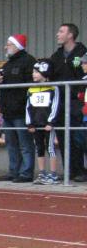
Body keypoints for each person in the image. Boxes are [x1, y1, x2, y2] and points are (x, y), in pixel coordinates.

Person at [0, 34, 36, 182]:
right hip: (8, 110)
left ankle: (26, 172)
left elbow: (31, 84)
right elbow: (2, 85)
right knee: (11, 143)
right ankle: (14, 171)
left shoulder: (29, 61)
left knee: (25, 143)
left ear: (17, 46)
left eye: (9, 44)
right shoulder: (7, 64)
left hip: (21, 110)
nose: (5, 47)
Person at [49, 23, 87, 182]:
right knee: (63, 137)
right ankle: (69, 171)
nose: (57, 34)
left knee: (78, 137)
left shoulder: (82, 53)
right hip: (60, 103)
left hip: (77, 102)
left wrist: (79, 93)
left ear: (70, 35)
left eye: (61, 31)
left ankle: (80, 170)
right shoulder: (56, 56)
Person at [26, 59, 61, 184]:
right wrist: (29, 123)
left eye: (36, 72)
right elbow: (28, 107)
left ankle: (53, 174)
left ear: (44, 73)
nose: (33, 74)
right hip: (36, 124)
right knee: (39, 148)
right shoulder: (31, 89)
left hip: (47, 124)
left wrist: (51, 122)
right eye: (33, 72)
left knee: (50, 148)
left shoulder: (53, 87)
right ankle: (42, 173)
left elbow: (55, 105)